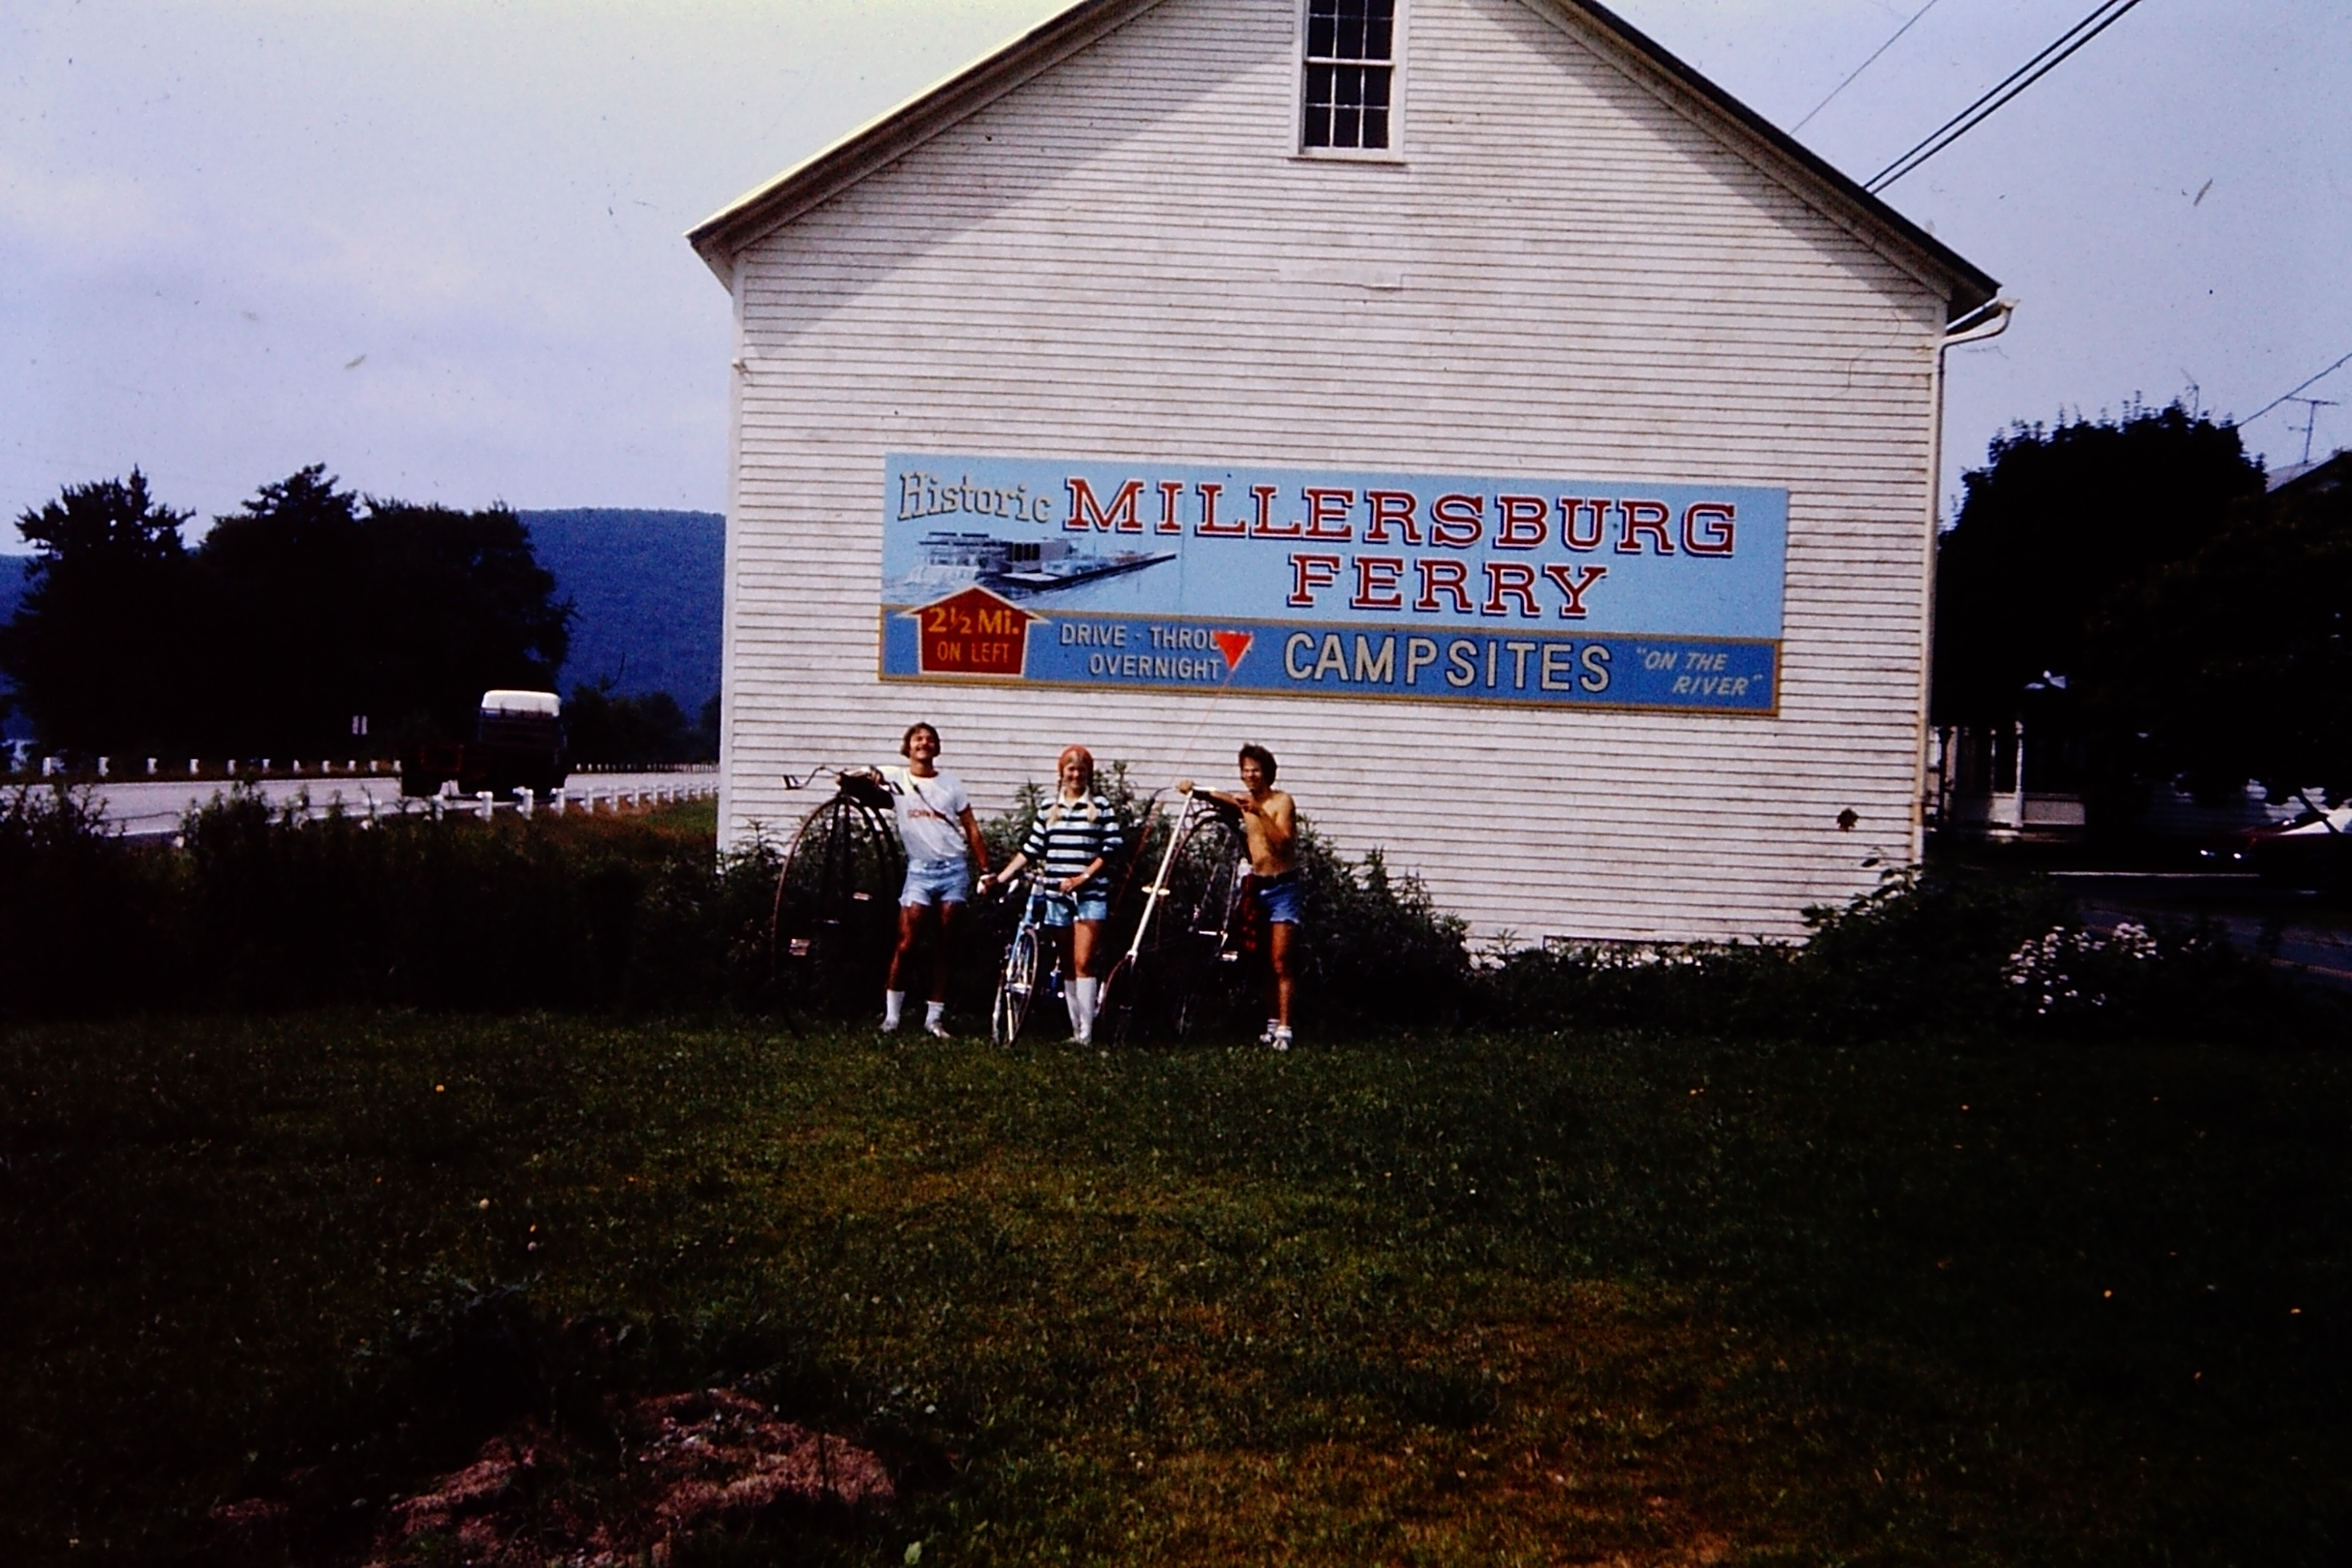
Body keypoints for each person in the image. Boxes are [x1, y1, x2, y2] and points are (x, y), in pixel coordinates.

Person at [983, 745, 1125, 1044]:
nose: (1076, 775)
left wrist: (1083, 877)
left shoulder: (1100, 807)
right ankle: (1077, 1031)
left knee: (1084, 959)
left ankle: (1088, 1033)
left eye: (1081, 769)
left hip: (1089, 894)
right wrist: (1002, 877)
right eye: (1071, 769)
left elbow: (1112, 848)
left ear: (1089, 774)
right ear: (1062, 774)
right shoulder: (1049, 809)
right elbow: (1032, 849)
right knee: (1068, 963)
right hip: (1055, 895)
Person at [869, 721, 989, 1038]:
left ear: (937, 748)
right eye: (917, 739)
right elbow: (857, 779)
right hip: (920, 871)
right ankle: (892, 1017)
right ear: (907, 747)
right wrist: (870, 780)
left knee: (946, 944)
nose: (924, 744)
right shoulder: (896, 777)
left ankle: (934, 1018)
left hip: (954, 870)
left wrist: (986, 868)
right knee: (906, 944)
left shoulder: (951, 784)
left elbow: (971, 828)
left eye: (930, 739)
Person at [1176, 743, 1299, 1050]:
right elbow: (1225, 799)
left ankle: (1286, 1027)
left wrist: (1259, 812)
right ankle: (1271, 1023)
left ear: (1267, 772)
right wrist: (1199, 792)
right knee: (1261, 961)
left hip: (1283, 887)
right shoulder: (1246, 802)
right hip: (1257, 885)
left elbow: (1283, 843)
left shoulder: (1281, 802)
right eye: (1246, 771)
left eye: (1255, 770)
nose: (1250, 776)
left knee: (1281, 961)